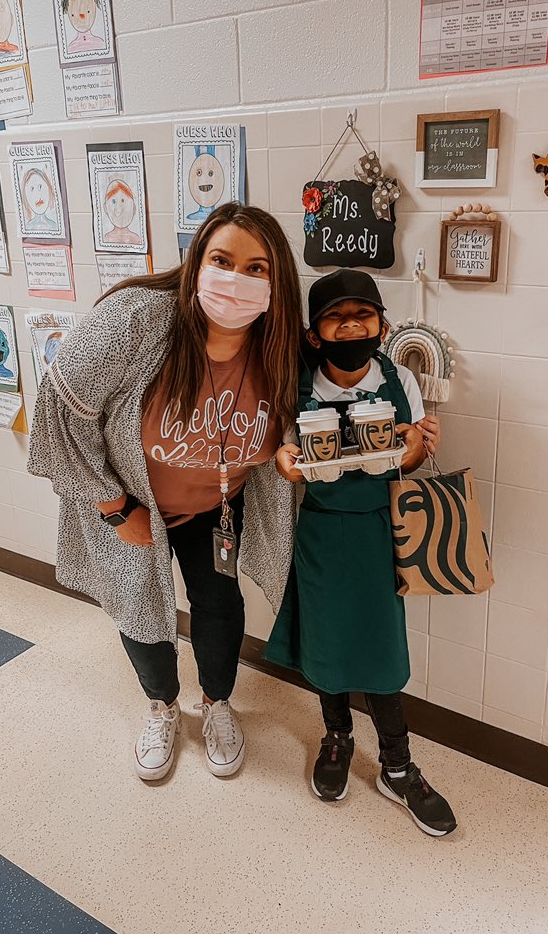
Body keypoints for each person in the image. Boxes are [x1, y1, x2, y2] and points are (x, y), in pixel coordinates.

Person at [28, 203, 301, 782]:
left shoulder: (279, 349)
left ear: (277, 283)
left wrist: (409, 431)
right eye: (222, 260)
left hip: (218, 507)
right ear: (195, 263)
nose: (237, 280)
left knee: (220, 606)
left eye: (257, 268)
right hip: (132, 507)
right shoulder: (139, 323)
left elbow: (324, 405)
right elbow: (58, 408)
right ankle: (161, 706)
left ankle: (218, 704)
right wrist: (112, 504)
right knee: (140, 606)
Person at [266, 268, 457, 837]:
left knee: (381, 650)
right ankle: (337, 737)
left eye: (362, 316)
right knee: (326, 643)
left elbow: (411, 460)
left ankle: (397, 765)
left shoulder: (399, 378)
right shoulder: (295, 382)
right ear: (313, 332)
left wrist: (418, 447)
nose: (351, 326)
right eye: (335, 317)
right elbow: (285, 450)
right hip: (321, 531)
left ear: (381, 324)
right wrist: (284, 461)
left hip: (379, 530)